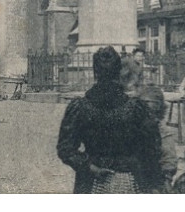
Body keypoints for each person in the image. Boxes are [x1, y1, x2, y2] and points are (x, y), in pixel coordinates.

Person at [57, 45, 162, 194]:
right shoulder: (136, 108)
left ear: (95, 73)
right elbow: (152, 150)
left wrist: (87, 166)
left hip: (91, 181)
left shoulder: (80, 107)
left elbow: (65, 149)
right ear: (119, 71)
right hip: (130, 181)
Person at [138, 84, 177, 192]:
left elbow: (169, 159)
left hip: (155, 181)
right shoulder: (134, 128)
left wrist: (166, 178)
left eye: (148, 103)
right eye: (142, 103)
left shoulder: (163, 132)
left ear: (159, 107)